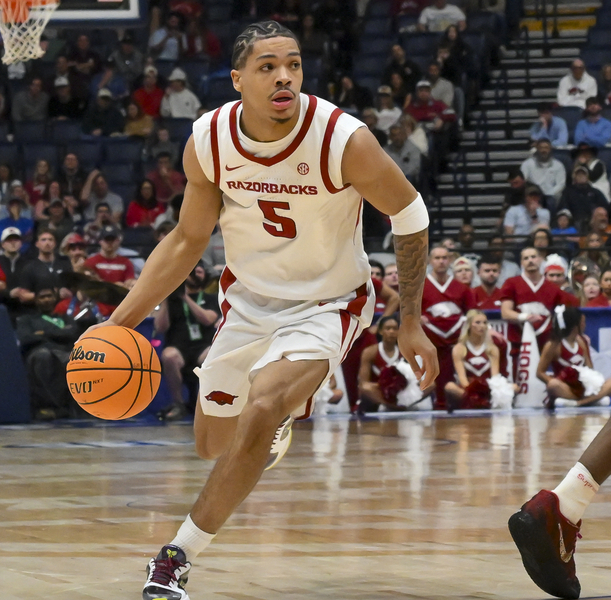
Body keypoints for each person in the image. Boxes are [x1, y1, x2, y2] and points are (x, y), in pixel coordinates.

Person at [79, 22, 440, 600]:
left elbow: (411, 215)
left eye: (294, 65)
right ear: (238, 79)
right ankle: (266, 429)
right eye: (269, 66)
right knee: (210, 445)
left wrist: (414, 320)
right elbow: (186, 239)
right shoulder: (210, 139)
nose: (284, 77)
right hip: (247, 302)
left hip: (329, 303)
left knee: (266, 405)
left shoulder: (343, 140)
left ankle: (175, 557)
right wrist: (119, 322)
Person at [500, 246, 578, 379]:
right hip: (519, 345)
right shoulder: (512, 283)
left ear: (541, 260)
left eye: (533, 257)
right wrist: (525, 317)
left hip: (546, 346)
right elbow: (505, 312)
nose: (530, 261)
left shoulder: (552, 287)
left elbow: (573, 308)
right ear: (521, 262)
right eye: (526, 258)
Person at [155, 263, 220, 421]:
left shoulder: (210, 298)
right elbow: (160, 327)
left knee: (215, 355)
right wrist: (165, 300)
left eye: (199, 271)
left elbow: (207, 320)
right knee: (169, 356)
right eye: (192, 272)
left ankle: (208, 402)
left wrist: (186, 298)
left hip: (202, 347)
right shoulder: (172, 301)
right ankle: (178, 404)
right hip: (179, 347)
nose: (195, 275)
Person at [421, 245, 473, 410]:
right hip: (430, 344)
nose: (441, 262)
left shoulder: (462, 288)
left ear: (450, 261)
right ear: (430, 261)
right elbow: (410, 313)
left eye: (444, 258)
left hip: (455, 344)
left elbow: (472, 313)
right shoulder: (420, 286)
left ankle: (458, 402)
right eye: (437, 258)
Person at [15, 287, 79, 420]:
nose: (46, 299)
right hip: (39, 352)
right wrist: (59, 334)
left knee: (77, 359)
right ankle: (51, 407)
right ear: (36, 300)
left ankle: (77, 407)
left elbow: (72, 334)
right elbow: (25, 338)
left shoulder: (66, 318)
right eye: (42, 297)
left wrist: (43, 333)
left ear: (55, 298)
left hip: (63, 352)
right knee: (43, 356)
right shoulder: (27, 319)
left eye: (49, 296)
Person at [536, 305, 611, 407]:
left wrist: (591, 383)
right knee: (553, 385)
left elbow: (590, 369)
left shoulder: (581, 342)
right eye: (583, 322)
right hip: (566, 387)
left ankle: (580, 402)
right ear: (575, 325)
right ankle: (593, 400)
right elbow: (540, 372)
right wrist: (556, 381)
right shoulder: (554, 345)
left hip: (584, 387)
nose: (585, 325)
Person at [445, 310, 513, 410]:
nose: (482, 326)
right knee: (450, 387)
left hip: (487, 390)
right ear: (469, 325)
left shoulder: (492, 349)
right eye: (478, 322)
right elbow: (462, 379)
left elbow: (495, 378)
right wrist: (473, 392)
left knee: (514, 387)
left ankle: (482, 402)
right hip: (467, 390)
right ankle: (476, 402)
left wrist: (486, 390)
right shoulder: (459, 348)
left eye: (485, 323)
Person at [356, 316, 423, 411]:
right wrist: (388, 385)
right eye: (388, 328)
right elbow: (363, 381)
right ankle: (393, 407)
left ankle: (405, 403)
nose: (391, 332)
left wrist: (401, 384)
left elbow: (417, 379)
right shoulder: (370, 352)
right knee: (365, 387)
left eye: (395, 329)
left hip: (403, 391)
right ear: (380, 331)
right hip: (380, 391)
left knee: (430, 385)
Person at [18, 230, 71, 301]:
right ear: (37, 244)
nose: (47, 243)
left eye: (50, 240)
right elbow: (23, 296)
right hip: (38, 309)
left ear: (55, 243)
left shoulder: (64, 265)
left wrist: (68, 292)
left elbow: (74, 289)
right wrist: (47, 295)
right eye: (43, 240)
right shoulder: (30, 268)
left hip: (62, 307)